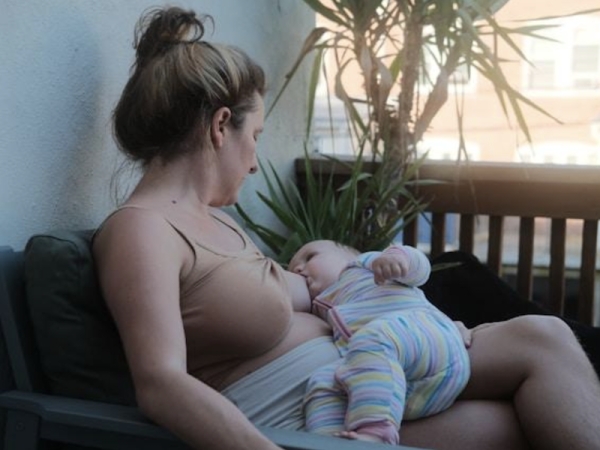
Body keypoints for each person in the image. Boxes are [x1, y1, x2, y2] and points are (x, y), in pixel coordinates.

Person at [92, 6, 600, 450]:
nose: (254, 163)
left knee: (543, 338)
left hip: (368, 375)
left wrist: (425, 323)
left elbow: (317, 297)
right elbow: (160, 384)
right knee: (521, 414)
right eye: (256, 136)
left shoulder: (218, 225)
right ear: (221, 125)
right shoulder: (142, 231)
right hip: (313, 419)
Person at [288, 240, 470, 444]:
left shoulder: (363, 267)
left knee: (373, 338)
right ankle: (329, 441)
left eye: (309, 257)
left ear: (347, 255)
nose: (298, 268)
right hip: (408, 392)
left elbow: (419, 269)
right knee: (324, 379)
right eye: (292, 268)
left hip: (427, 339)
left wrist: (398, 259)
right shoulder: (320, 311)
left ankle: (376, 436)